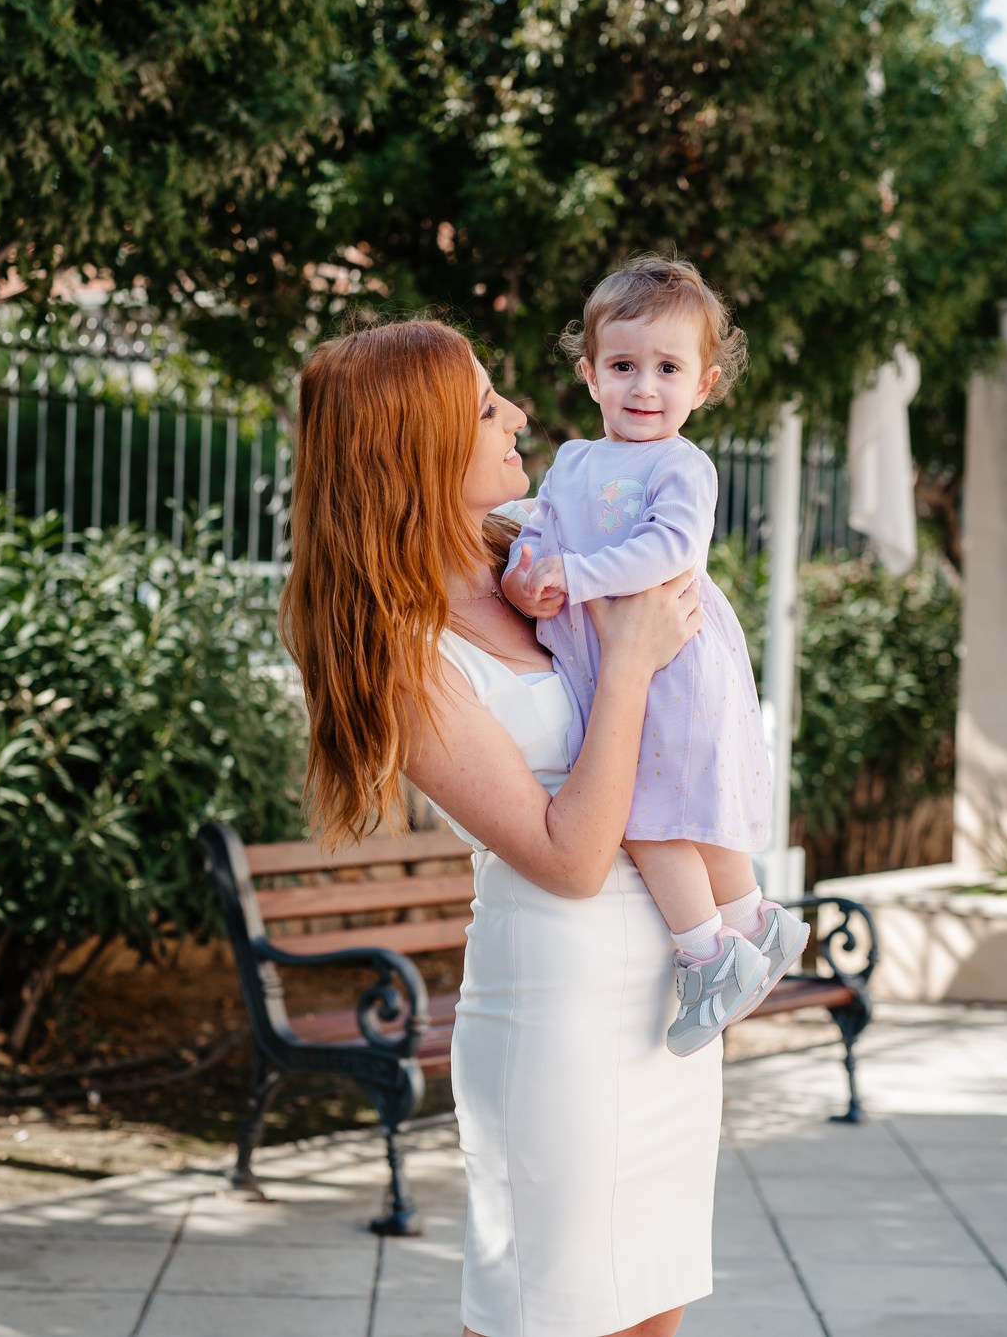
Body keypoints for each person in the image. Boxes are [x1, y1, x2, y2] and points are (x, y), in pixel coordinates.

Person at [280, 318, 716, 1337]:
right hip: (555, 1012)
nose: (518, 415)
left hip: (661, 993)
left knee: (651, 1310)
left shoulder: (536, 550)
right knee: (542, 1314)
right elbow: (567, 859)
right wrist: (627, 663)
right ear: (412, 448)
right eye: (484, 407)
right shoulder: (400, 650)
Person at [500, 255, 804, 1056]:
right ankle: (754, 926)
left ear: (703, 385)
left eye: (667, 369)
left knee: (650, 810)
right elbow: (540, 535)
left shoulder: (683, 466)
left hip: (672, 659)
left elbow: (671, 551)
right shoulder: (572, 463)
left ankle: (709, 953)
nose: (644, 387)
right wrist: (528, 577)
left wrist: (580, 576)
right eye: (624, 366)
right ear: (590, 374)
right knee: (666, 802)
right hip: (614, 657)